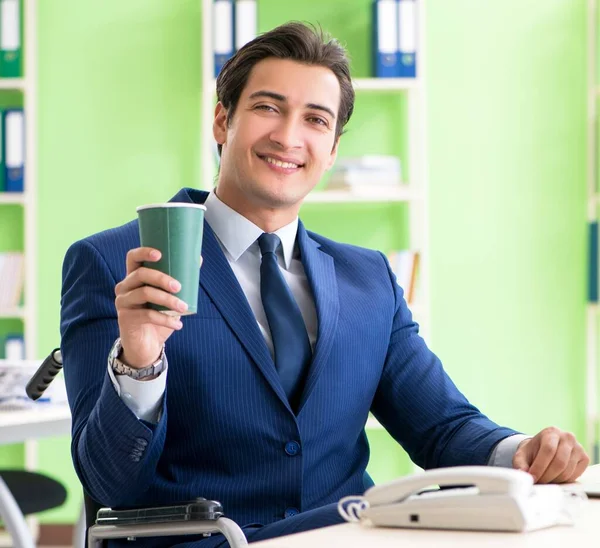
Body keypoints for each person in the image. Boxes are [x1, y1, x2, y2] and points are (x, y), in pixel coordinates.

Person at [60, 22, 589, 547]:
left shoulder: (368, 280)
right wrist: (139, 361)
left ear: (332, 149)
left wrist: (521, 451)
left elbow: (441, 428)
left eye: (315, 119)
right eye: (268, 108)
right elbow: (109, 483)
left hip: (348, 536)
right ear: (223, 121)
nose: (288, 137)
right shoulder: (116, 264)